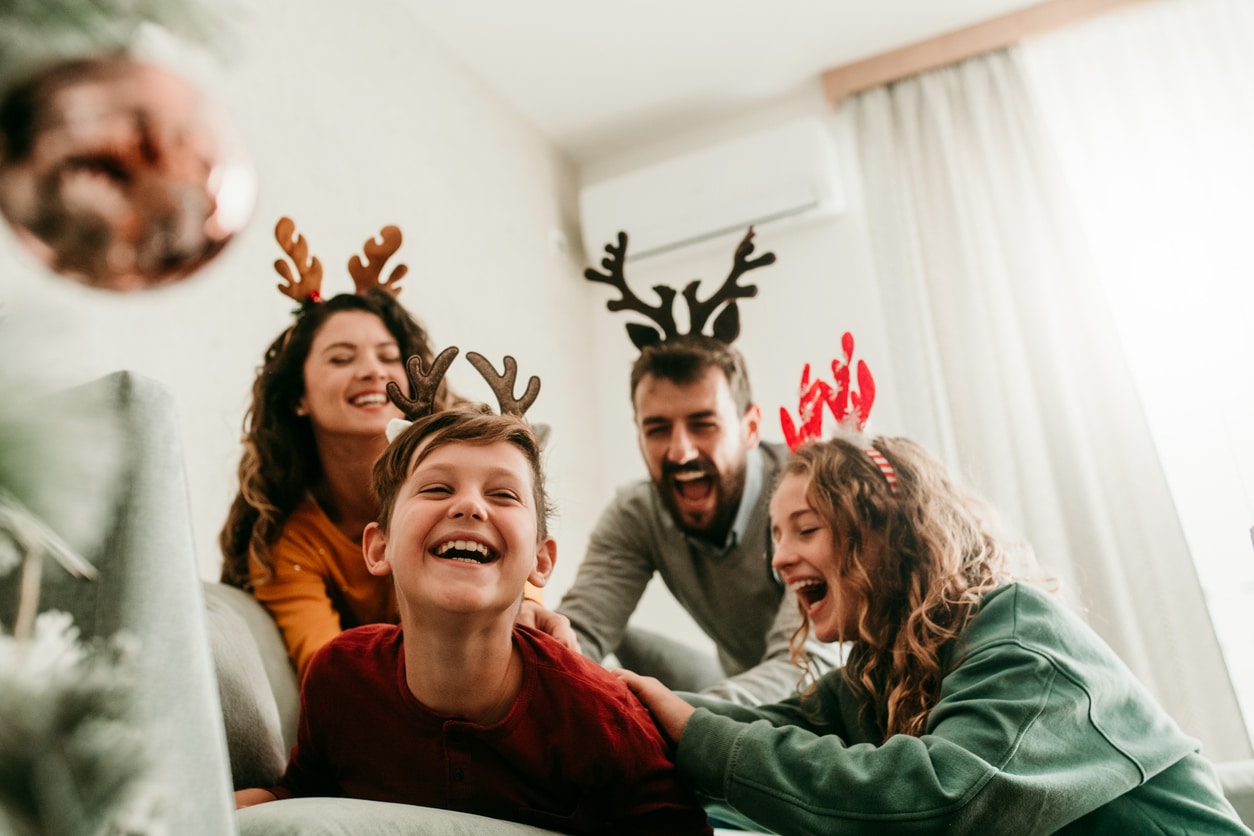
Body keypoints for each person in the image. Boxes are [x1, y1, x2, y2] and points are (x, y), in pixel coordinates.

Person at [618, 429, 1251, 833]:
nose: (779, 560)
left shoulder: (1018, 631)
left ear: (887, 532)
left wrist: (693, 734)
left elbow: (943, 799)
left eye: (805, 529)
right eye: (775, 536)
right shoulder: (874, 675)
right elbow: (766, 731)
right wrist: (602, 691)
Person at [235, 351, 714, 835]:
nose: (469, 505)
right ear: (379, 547)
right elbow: (297, 797)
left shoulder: (602, 715)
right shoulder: (339, 677)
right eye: (437, 489)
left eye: (503, 494)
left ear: (540, 562)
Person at [219, 218, 572, 677]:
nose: (372, 371)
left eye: (388, 357)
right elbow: (333, 678)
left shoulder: (477, 496)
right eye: (341, 358)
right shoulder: (292, 545)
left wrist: (526, 607)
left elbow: (516, 577)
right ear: (297, 397)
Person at [557, 228, 840, 704]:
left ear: (751, 428)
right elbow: (582, 629)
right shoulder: (636, 512)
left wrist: (672, 719)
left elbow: (807, 664)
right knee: (579, 648)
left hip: (826, 692)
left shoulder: (808, 493)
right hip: (733, 679)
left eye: (703, 424)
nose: (680, 451)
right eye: (658, 428)